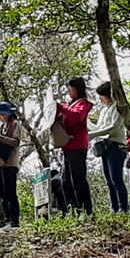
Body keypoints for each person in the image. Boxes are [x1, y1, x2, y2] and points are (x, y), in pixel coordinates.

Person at [89, 81, 128, 213]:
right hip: (104, 147)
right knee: (109, 181)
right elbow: (100, 128)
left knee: (116, 179)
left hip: (116, 145)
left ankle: (124, 208)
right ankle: (115, 208)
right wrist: (87, 123)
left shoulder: (118, 108)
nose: (100, 99)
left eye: (102, 96)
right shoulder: (104, 110)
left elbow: (113, 128)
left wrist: (93, 134)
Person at [57, 77, 94, 215]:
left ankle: (85, 210)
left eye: (70, 88)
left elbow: (76, 117)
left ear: (77, 90)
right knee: (66, 181)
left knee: (78, 178)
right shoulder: (70, 104)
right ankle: (72, 209)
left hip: (77, 146)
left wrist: (61, 107)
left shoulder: (83, 104)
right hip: (67, 146)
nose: (68, 91)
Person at [0, 102, 22, 228]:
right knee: (2, 193)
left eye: (1, 114)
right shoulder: (2, 126)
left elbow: (15, 142)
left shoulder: (15, 124)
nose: (0, 117)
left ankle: (14, 220)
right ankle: (6, 219)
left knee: (10, 192)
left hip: (10, 163)